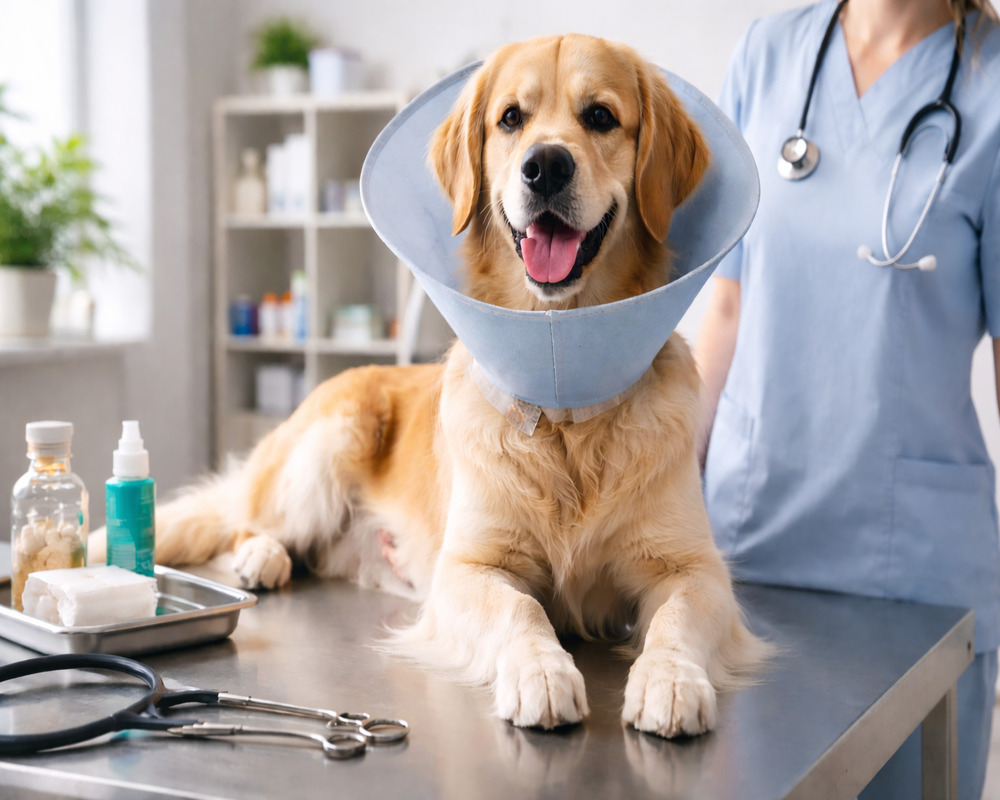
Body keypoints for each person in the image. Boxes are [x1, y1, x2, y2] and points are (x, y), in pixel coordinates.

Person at [696, 0, 1000, 797]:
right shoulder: (768, 55)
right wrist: (653, 495)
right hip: (747, 557)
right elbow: (725, 307)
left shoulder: (994, 84)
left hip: (913, 586)